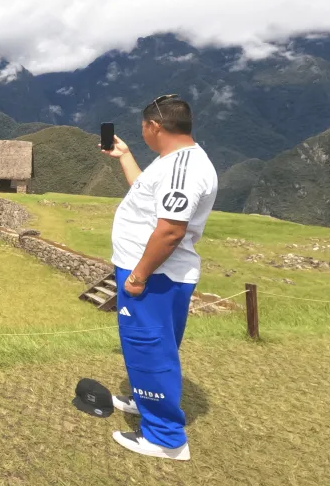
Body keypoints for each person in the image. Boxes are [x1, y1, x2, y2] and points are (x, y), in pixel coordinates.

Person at [98, 94, 217, 461]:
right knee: (154, 345)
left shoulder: (182, 170)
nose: (144, 134)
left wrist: (137, 276)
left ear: (154, 126)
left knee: (149, 348)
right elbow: (146, 196)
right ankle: (143, 398)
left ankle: (165, 438)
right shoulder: (172, 161)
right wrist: (126, 157)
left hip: (155, 276)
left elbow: (170, 231)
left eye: (143, 129)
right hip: (155, 274)